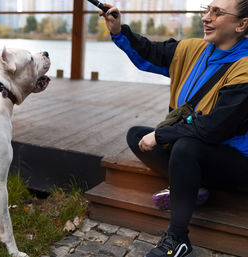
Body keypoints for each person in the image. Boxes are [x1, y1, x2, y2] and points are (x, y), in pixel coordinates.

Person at [100, 0, 248, 256]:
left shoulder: (245, 69)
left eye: (217, 12)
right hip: (197, 149)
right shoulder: (193, 50)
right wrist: (118, 31)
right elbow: (151, 51)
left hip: (235, 161)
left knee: (184, 147)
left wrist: (160, 134)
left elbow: (214, 129)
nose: (206, 18)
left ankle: (178, 238)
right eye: (206, 10)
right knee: (136, 136)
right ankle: (192, 185)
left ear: (242, 24)